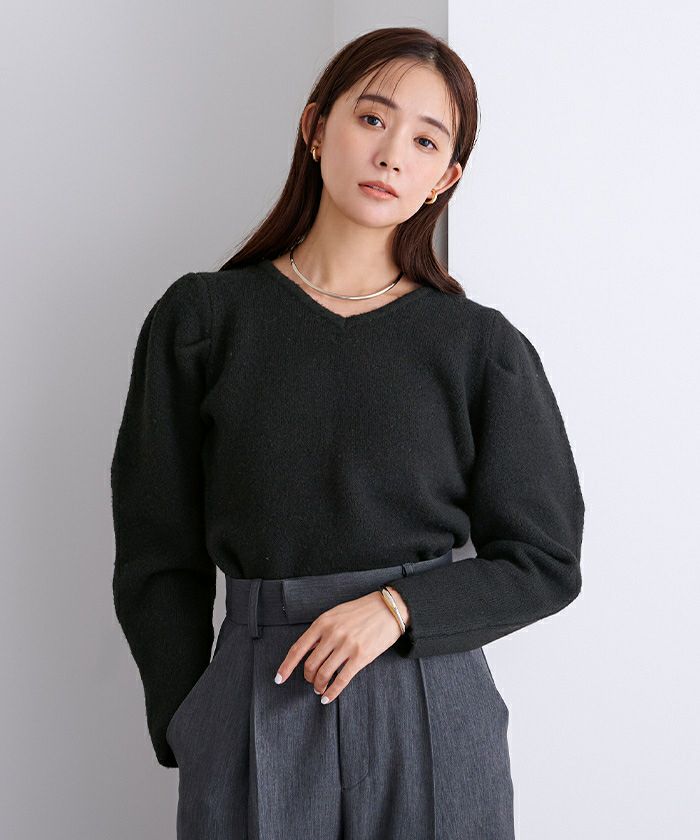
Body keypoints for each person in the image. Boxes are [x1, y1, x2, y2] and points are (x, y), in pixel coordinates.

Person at [110, 26, 585, 840]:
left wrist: (399, 608)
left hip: (430, 702)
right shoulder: (203, 321)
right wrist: (191, 719)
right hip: (257, 694)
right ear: (315, 127)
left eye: (426, 141)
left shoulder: (481, 348)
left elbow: (544, 559)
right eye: (372, 119)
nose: (392, 154)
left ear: (445, 179)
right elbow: (158, 549)